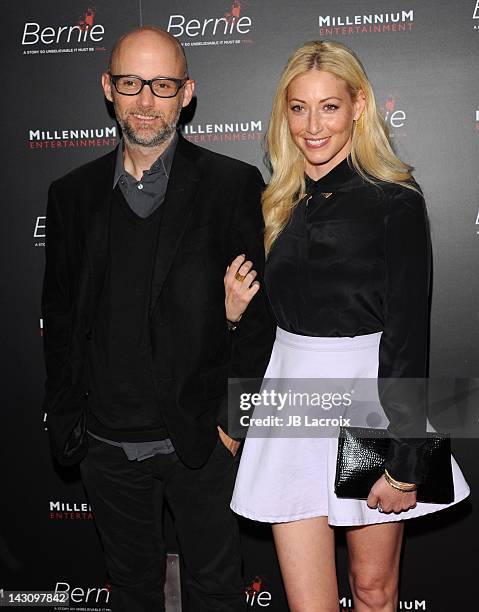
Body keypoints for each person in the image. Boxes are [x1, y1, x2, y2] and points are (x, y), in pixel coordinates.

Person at [225, 40, 470, 612]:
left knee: (373, 590)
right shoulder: (276, 204)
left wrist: (405, 463)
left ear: (358, 106)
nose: (313, 126)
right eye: (298, 108)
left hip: (371, 403)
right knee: (308, 604)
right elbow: (273, 320)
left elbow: (409, 337)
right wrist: (234, 317)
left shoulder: (396, 202)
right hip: (291, 400)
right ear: (284, 114)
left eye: (328, 107)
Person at [41, 26, 274, 612]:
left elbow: (258, 316)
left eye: (163, 85)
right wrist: (69, 416)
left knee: (217, 592)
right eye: (131, 83)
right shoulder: (71, 195)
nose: (146, 101)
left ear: (187, 92)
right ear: (108, 88)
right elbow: (59, 313)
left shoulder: (231, 184)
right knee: (134, 593)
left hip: (201, 440)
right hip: (106, 445)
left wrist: (233, 424)